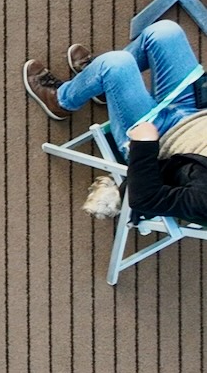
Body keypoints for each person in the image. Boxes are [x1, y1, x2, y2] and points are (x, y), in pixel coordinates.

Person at [25, 23, 207, 223]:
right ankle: (101, 84)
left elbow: (146, 199)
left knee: (114, 65)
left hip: (157, 137)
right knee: (165, 33)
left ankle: (60, 101)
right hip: (195, 110)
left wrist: (144, 145)